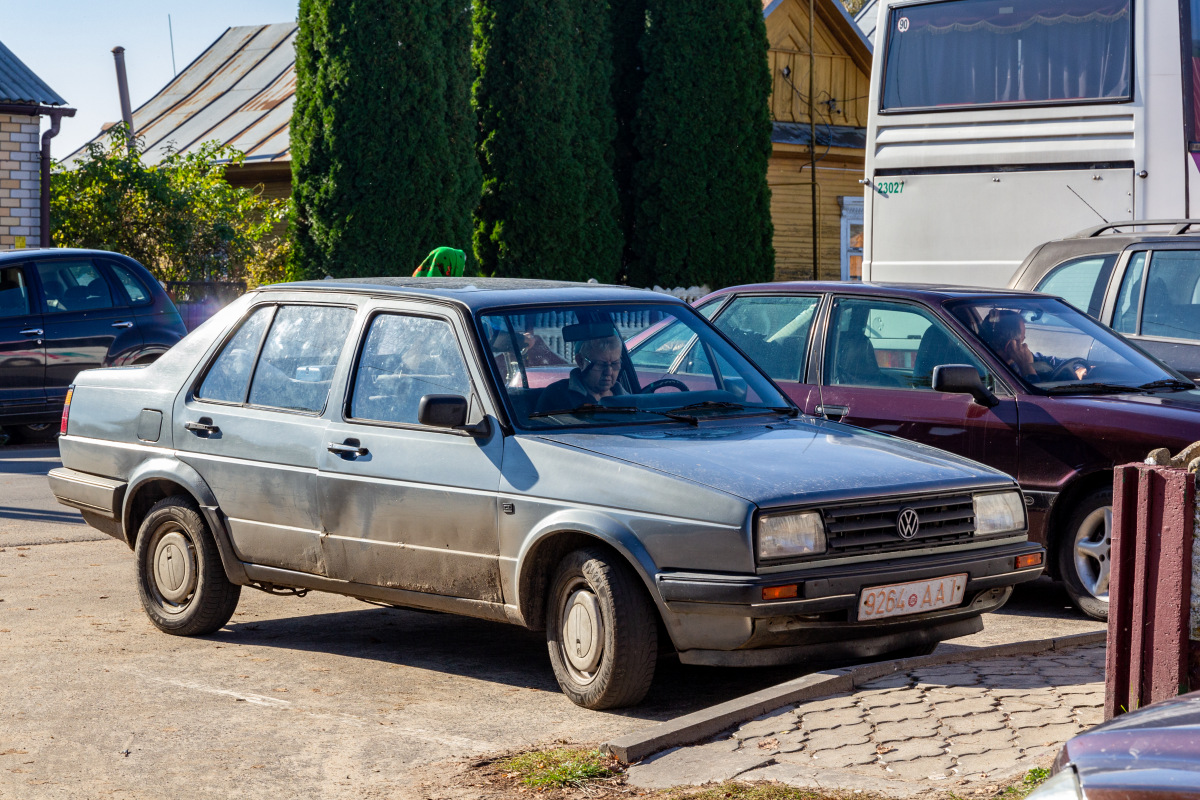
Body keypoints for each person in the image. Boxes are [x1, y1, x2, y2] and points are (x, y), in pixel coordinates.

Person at [981, 310, 1088, 382]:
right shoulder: (987, 372)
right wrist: (1026, 366)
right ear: (1011, 344)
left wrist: (1078, 368)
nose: (1025, 344)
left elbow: (1053, 362)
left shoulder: (1020, 358)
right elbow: (1033, 400)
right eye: (1023, 339)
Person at [534, 332, 627, 412]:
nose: (608, 372)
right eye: (600, 365)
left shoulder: (627, 398)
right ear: (581, 361)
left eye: (615, 364)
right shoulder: (556, 395)